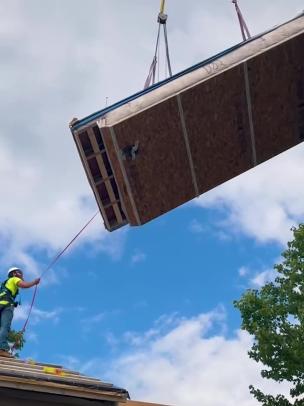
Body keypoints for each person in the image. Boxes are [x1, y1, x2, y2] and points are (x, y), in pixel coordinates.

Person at [0, 267, 40, 358]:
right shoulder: (14, 279)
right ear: (14, 273)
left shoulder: (5, 284)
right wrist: (34, 282)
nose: (21, 275)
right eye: (19, 273)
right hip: (7, 306)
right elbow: (24, 285)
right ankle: (2, 349)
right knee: (4, 327)